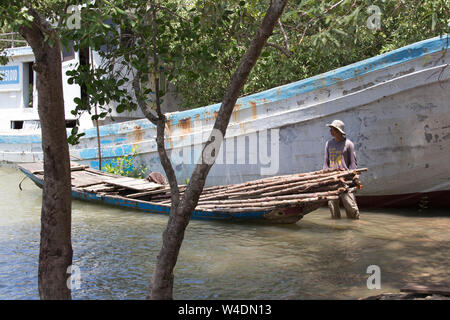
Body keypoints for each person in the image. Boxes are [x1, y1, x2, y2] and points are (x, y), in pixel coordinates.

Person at [323, 120, 360, 219]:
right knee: (332, 205)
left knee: (350, 205)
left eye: (333, 129)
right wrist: (326, 174)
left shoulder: (348, 144)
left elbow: (353, 163)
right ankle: (335, 226)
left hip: (345, 179)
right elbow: (326, 162)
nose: (331, 131)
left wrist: (352, 176)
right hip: (332, 178)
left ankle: (354, 224)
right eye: (330, 129)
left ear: (339, 131)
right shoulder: (328, 144)